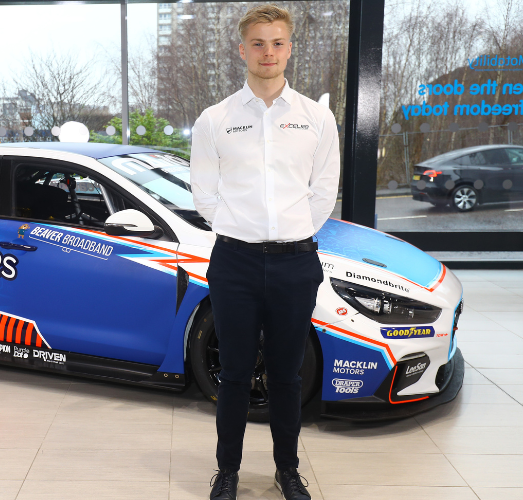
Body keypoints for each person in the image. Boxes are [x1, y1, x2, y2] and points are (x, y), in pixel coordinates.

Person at [190, 5, 340, 500]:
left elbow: (323, 193)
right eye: (258, 43)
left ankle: (288, 471)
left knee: (285, 374)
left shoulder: (316, 118)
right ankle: (227, 472)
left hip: (296, 263)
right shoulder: (216, 120)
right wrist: (245, 230)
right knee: (232, 373)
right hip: (235, 261)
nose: (268, 52)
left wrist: (289, 233)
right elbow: (205, 195)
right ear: (242, 50)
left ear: (290, 48)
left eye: (277, 43)